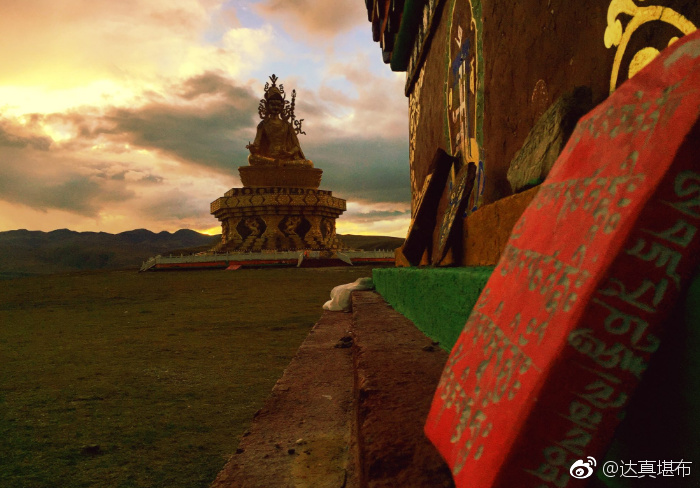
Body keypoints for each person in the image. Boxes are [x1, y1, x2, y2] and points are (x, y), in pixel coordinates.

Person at [246, 84, 312, 167]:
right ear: (267, 106)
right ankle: (275, 163)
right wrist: (253, 148)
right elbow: (257, 146)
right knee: (252, 158)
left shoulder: (287, 125)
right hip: (269, 158)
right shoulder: (263, 125)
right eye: (273, 105)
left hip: (286, 158)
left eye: (278, 105)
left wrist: (289, 153)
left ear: (282, 106)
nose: (276, 107)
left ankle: (281, 164)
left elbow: (296, 146)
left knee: (309, 164)